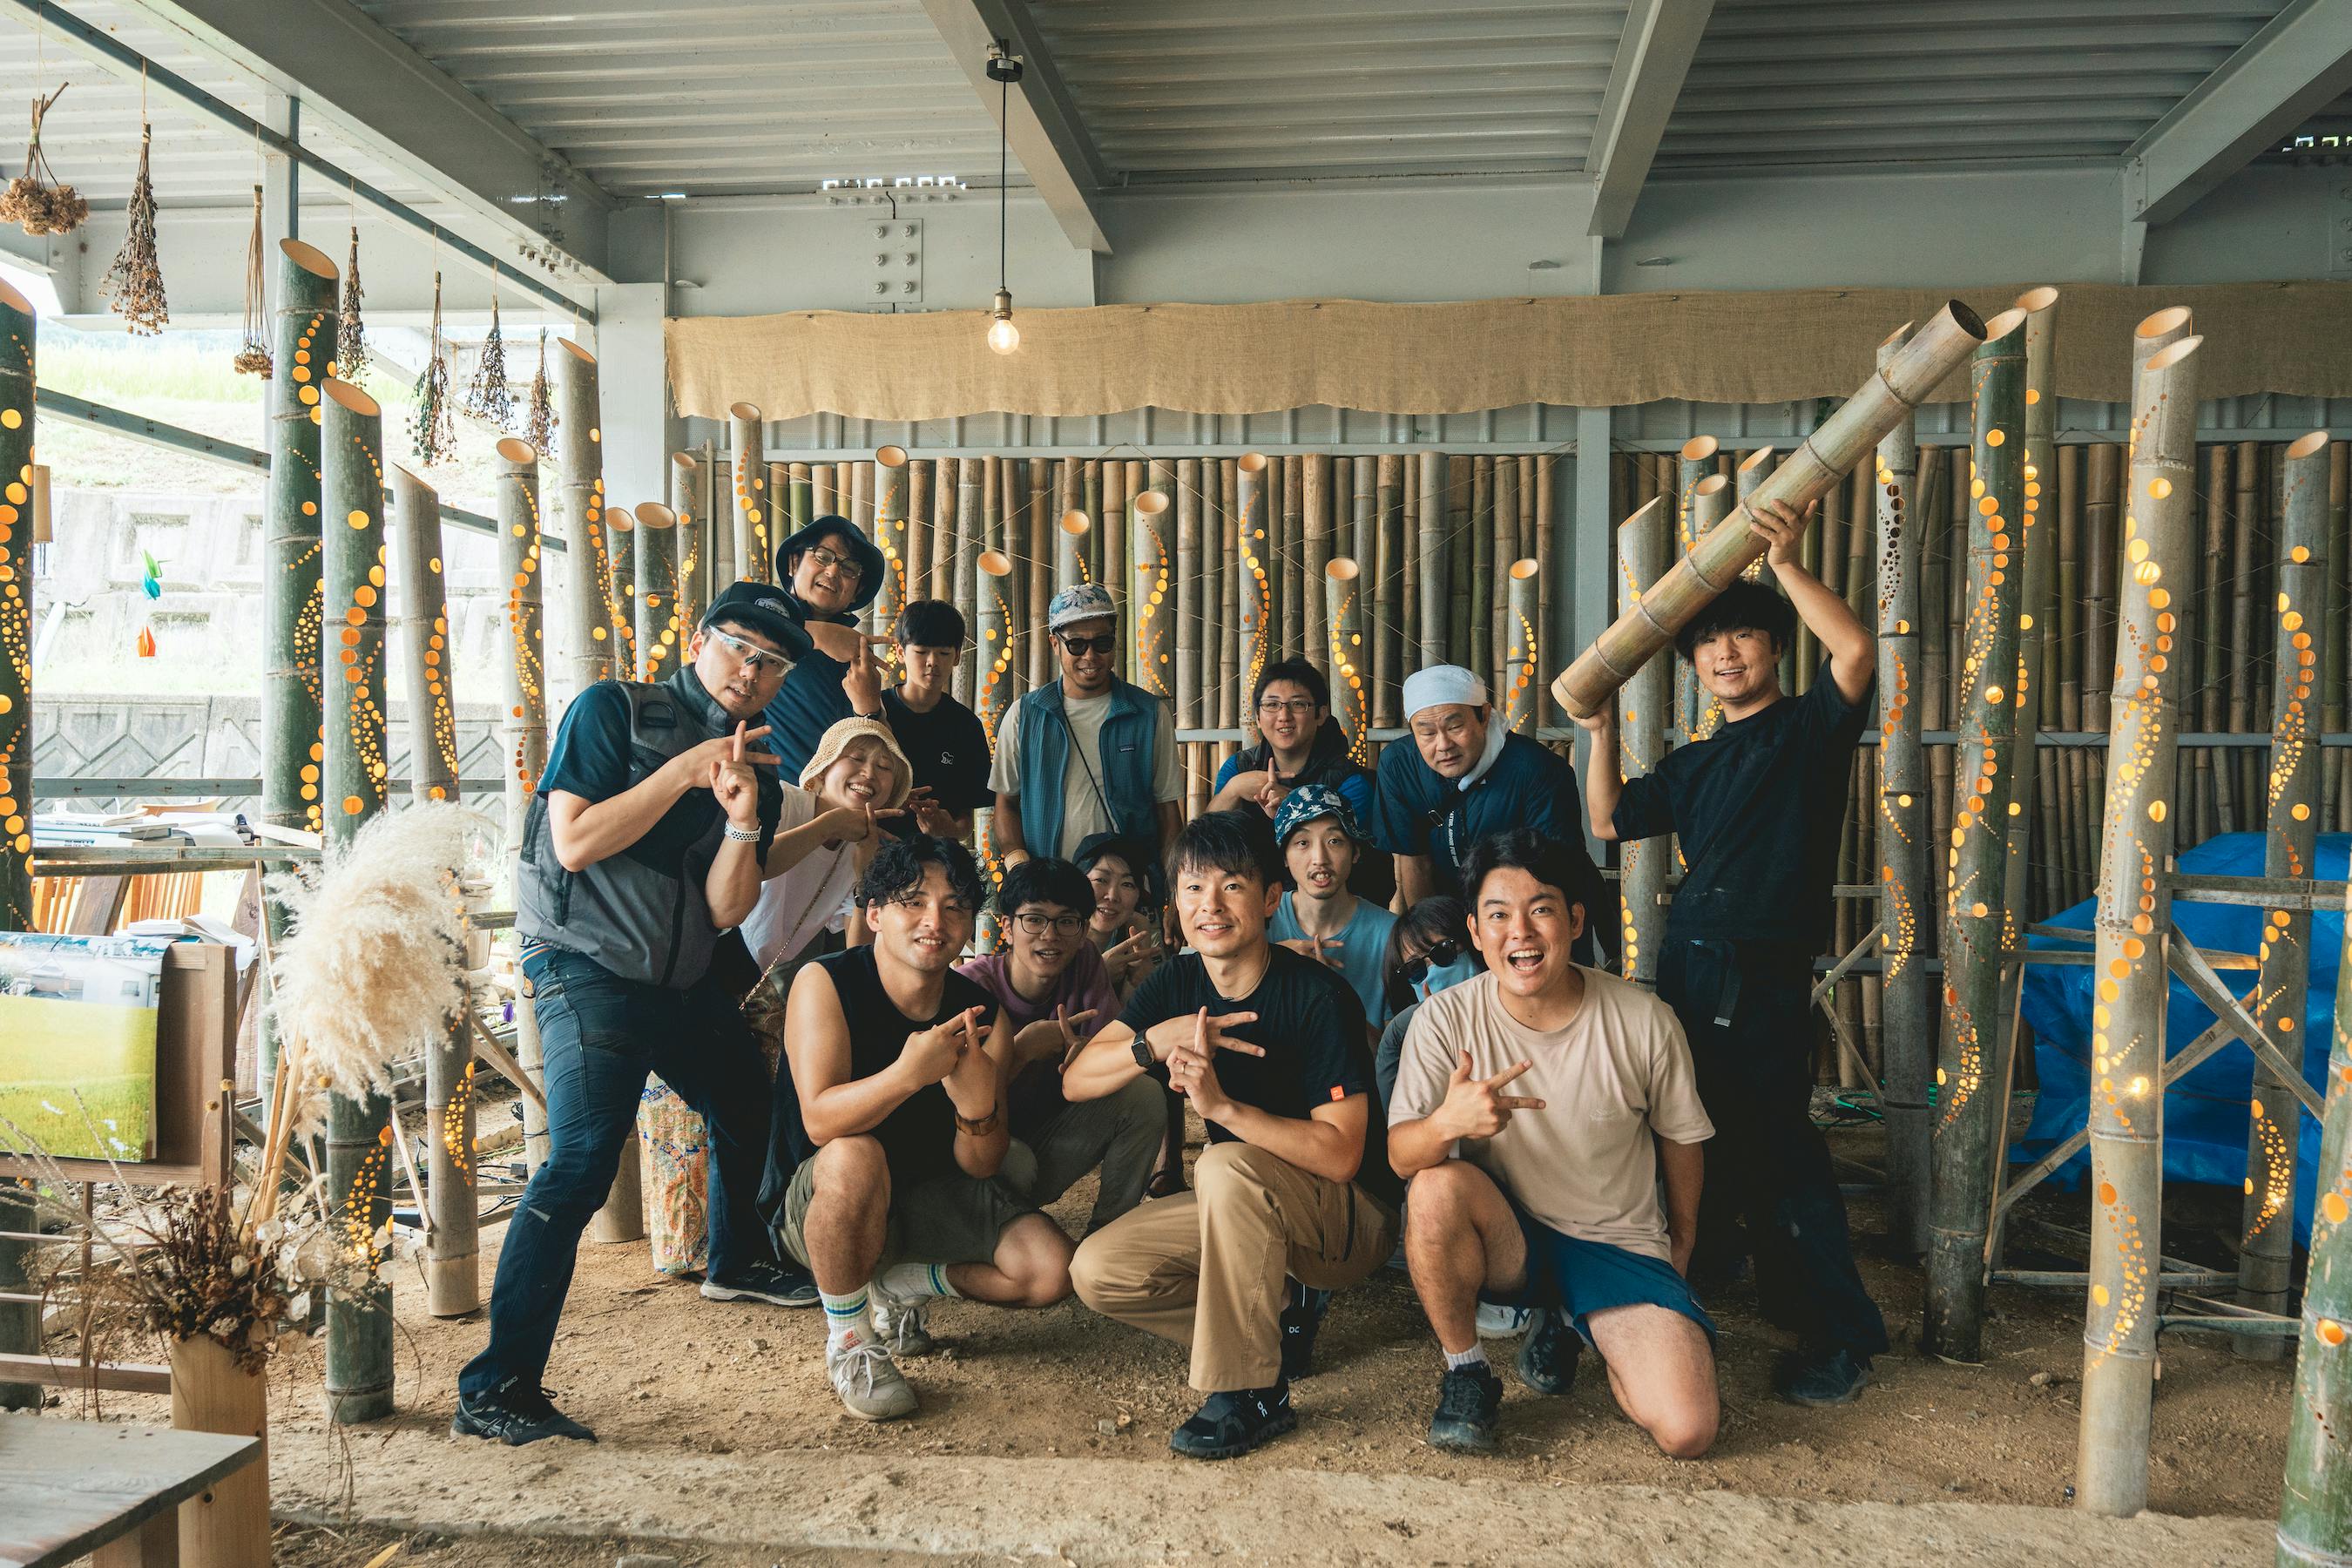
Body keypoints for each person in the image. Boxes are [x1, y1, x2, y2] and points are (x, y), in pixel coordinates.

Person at [454, 583, 818, 1447]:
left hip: (679, 979)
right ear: (698, 642)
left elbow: (726, 907)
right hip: (585, 965)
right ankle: (495, 1387)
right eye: (740, 649)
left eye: (773, 664)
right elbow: (575, 840)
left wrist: (741, 824)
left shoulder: (761, 770)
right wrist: (685, 771)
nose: (753, 672)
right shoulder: (615, 709)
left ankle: (735, 1260)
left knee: (747, 1098)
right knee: (582, 1162)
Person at [1574, 496, 1889, 1406]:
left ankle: (1844, 1333)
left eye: (1744, 636)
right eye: (1708, 644)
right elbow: (1608, 819)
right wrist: (1601, 735)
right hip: (1691, 962)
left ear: (1775, 649)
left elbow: (1856, 652)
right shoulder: (1695, 763)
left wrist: (1785, 563)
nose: (1725, 653)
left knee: (1780, 1141)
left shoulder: (1809, 732)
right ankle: (1743, 1280)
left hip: (1761, 965)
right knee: (1693, 1126)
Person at [1063, 812, 1402, 1460]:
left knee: (1222, 1164)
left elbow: (1341, 1155)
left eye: (1232, 886)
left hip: (1351, 1218)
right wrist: (1153, 1041)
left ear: (1271, 898)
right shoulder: (1177, 983)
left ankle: (1248, 1392)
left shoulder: (1318, 997)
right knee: (1100, 1270)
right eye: (1193, 888)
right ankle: (1271, 1326)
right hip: (1248, 1205)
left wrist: (1222, 1106)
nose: (1210, 906)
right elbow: (1077, 1081)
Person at [1389, 828, 1716, 1457]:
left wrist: (1682, 1243)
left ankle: (1574, 1322)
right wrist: (1448, 1123)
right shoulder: (1442, 1020)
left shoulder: (1644, 1019)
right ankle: (1467, 1372)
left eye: (1540, 910)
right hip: (1508, 1237)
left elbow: (1682, 1138)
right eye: (1498, 915)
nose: (1521, 932)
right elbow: (1402, 1157)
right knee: (1434, 1186)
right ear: (1475, 931)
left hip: (1614, 1243)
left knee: (1687, 1429)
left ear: (1575, 920)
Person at [774, 835, 1074, 1422]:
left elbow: (982, 1164)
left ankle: (904, 1284)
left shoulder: (981, 1013)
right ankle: (851, 1341)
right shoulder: (825, 982)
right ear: (875, 914)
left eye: (954, 906)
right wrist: (908, 1075)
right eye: (913, 902)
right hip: (823, 1206)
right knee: (855, 1154)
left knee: (1050, 1272)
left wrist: (975, 1108)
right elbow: (819, 1121)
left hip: (929, 1195)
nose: (935, 921)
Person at [955, 857, 1166, 1233]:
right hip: (980, 1156)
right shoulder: (970, 989)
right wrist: (1021, 1051)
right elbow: (956, 1111)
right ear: (1007, 927)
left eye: (1067, 922)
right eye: (1034, 920)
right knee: (1014, 1160)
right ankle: (991, 1234)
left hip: (1050, 1136)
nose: (1050, 936)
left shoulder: (1085, 962)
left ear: (1084, 931)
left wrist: (1088, 1058)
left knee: (1144, 1094)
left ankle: (1107, 1234)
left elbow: (1112, 1052)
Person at [1368, 665, 1595, 916]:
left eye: (1455, 727)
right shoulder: (1399, 765)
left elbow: (1550, 872)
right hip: (1446, 909)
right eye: (1427, 733)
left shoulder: (1539, 769)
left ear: (1484, 716)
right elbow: (1414, 861)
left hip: (1523, 909)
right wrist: (1431, 932)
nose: (1443, 745)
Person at [990, 582, 1182, 871]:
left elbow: (1167, 811)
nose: (1090, 656)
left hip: (1127, 888)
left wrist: (1169, 886)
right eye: (1077, 645)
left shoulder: (1150, 714)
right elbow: (1006, 804)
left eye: (1102, 643)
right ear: (1055, 644)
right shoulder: (1024, 715)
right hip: (1050, 887)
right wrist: (1021, 870)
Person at [741, 717, 912, 974]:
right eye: (856, 758)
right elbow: (752, 868)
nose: (869, 773)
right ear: (823, 768)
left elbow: (858, 950)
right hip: (714, 940)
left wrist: (866, 877)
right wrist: (830, 825)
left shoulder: (866, 848)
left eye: (884, 767)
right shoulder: (782, 800)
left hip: (756, 972)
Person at [1076, 831, 1180, 1200]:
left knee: (1162, 1043)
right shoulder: (1057, 933)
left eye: (1127, 884)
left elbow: (1135, 1026)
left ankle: (1169, 1166)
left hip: (1113, 1052)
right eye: (1100, 880)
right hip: (1065, 1059)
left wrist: (1139, 983)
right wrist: (1097, 975)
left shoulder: (1137, 932)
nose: (1112, 895)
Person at [762, 514, 890, 780]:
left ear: (857, 591)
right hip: (760, 790)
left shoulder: (855, 655)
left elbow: (877, 749)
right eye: (822, 556)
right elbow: (723, 626)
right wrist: (816, 634)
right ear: (794, 563)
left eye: (849, 568)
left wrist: (870, 709)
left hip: (830, 798)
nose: (833, 571)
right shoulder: (758, 611)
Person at [1266, 786, 1396, 1035]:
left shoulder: (1390, 934)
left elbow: (1394, 1053)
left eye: (1334, 841)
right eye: (1302, 843)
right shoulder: (1260, 921)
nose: (1319, 858)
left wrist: (1334, 996)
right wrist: (1271, 960)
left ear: (1355, 852)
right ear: (1284, 857)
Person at [1207, 659, 1374, 825]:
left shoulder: (1350, 782)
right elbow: (1204, 837)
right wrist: (1234, 789)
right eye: (1272, 704)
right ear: (1257, 717)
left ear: (1321, 715)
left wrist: (1293, 803)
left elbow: (1340, 841)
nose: (1284, 716)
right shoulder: (1238, 768)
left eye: (1298, 704)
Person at [882, 598, 992, 841]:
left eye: (943, 653)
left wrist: (949, 831)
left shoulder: (966, 726)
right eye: (921, 652)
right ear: (900, 652)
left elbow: (965, 818)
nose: (932, 662)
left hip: (937, 854)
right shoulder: (874, 710)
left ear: (957, 656)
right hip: (874, 850)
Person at [1374, 896, 1477, 1112]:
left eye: (1442, 953)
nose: (1433, 972)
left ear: (1473, 940)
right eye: (1415, 969)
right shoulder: (1403, 1043)